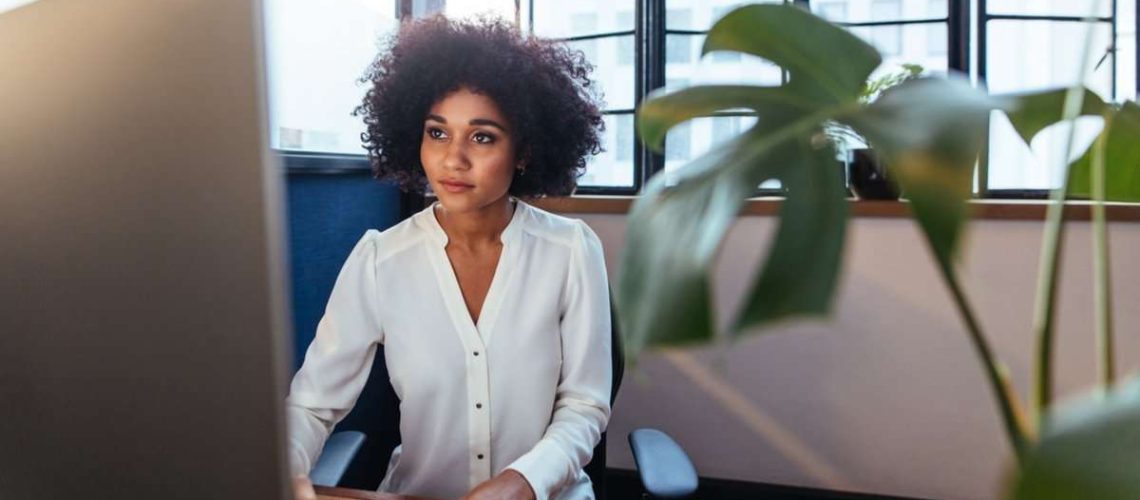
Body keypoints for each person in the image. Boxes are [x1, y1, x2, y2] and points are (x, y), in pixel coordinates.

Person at [286, 15, 611, 500]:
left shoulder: (570, 251)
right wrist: (285, 472)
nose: (453, 159)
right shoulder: (379, 260)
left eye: (482, 137)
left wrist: (524, 481)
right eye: (438, 133)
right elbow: (311, 406)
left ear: (523, 151)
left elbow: (585, 404)